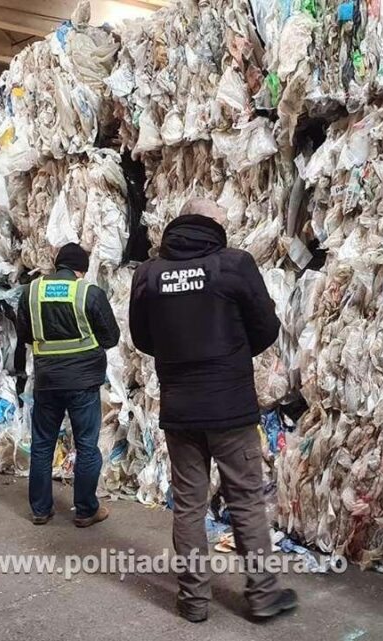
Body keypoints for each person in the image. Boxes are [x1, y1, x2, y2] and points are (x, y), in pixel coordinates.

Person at [128, 199, 298, 623]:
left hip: (180, 409)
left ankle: (194, 601)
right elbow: (266, 327)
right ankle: (261, 597)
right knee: (244, 501)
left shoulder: (148, 273)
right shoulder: (233, 265)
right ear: (215, 226)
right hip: (230, 408)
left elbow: (142, 337)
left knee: (188, 504)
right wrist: (233, 356)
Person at [15, 243, 120, 527]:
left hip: (47, 380)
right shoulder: (88, 293)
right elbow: (111, 337)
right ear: (81, 269)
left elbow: (24, 334)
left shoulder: (31, 292)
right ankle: (86, 510)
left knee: (42, 444)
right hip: (84, 382)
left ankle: (40, 509)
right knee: (86, 445)